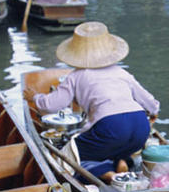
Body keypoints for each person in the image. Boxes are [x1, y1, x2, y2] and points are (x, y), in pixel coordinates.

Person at [23, 22, 159, 182]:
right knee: (114, 146)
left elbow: (53, 105)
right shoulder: (122, 72)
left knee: (71, 155)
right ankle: (122, 161)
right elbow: (151, 104)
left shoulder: (76, 76)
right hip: (140, 127)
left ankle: (108, 174)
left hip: (111, 127)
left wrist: (35, 98)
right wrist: (152, 117)